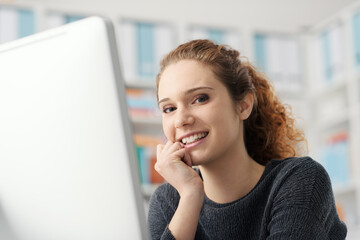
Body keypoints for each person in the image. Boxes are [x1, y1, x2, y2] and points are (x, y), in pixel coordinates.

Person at [147, 39, 347, 240]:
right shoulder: (169, 202)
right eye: (169, 109)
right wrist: (190, 196)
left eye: (200, 99)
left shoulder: (300, 180)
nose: (181, 120)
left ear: (243, 105)